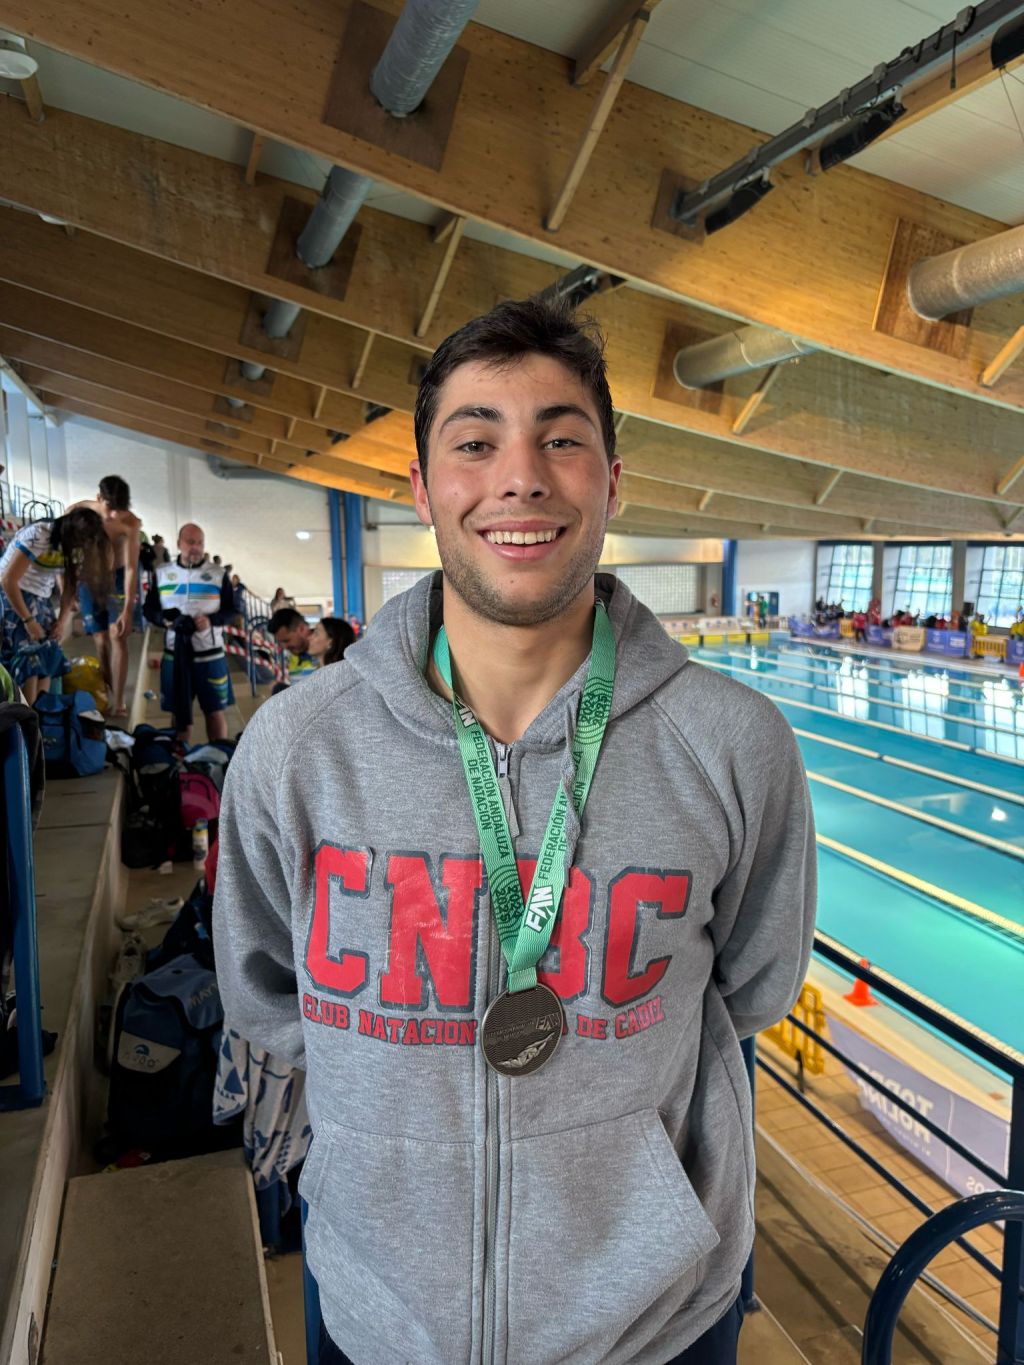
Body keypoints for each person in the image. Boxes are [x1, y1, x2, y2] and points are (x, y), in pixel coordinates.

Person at [214, 298, 816, 1365]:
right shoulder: (298, 747)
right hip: (377, 1316)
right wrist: (389, 1126)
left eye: (562, 438)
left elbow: (751, 990)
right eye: (476, 440)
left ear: (612, 481)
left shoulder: (733, 745)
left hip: (653, 1326)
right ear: (423, 489)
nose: (521, 476)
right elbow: (266, 994)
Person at [0, 509, 112, 705]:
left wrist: (62, 621)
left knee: (47, 657)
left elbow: (69, 587)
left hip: (39, 598)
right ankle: (26, 718)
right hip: (11, 596)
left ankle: (40, 716)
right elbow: (8, 580)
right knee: (28, 661)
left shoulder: (78, 547)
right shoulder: (39, 534)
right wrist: (28, 621)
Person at [154, 523, 235, 743]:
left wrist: (211, 620)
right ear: (179, 543)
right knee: (179, 714)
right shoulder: (162, 574)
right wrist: (166, 619)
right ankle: (181, 765)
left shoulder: (218, 574)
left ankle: (221, 759)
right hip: (175, 655)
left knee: (215, 712)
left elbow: (231, 610)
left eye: (200, 542)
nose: (196, 547)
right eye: (191, 542)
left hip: (210, 655)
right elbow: (149, 609)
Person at [69, 475, 142, 718]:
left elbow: (132, 568)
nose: (113, 516)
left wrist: (127, 610)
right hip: (90, 579)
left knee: (117, 636)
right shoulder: (82, 509)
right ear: (99, 499)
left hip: (118, 579)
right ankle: (108, 691)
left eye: (119, 510)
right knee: (100, 639)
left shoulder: (130, 523)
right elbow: (64, 525)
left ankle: (119, 701)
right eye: (110, 509)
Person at [269, 606, 318, 683]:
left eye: (287, 640)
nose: (284, 647)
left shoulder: (328, 650)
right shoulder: (295, 654)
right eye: (280, 642)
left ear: (302, 629)